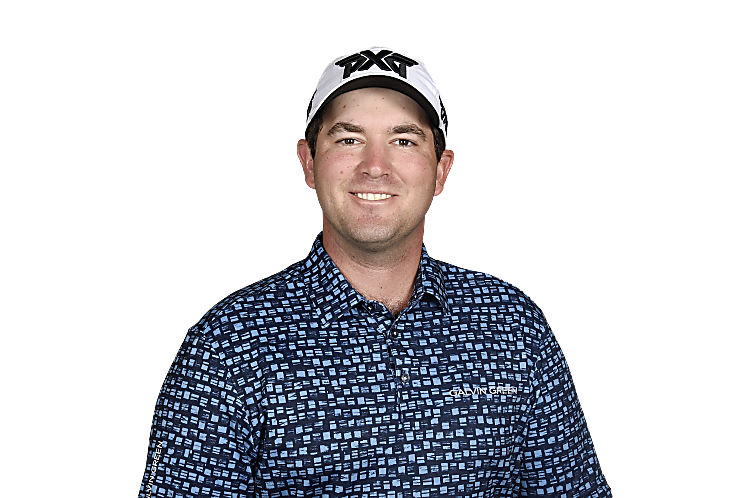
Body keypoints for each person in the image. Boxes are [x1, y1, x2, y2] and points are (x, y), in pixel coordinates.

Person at [139, 45, 612, 497]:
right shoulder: (226, 345)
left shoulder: (514, 324)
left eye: (403, 140)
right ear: (308, 162)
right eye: (349, 139)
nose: (375, 166)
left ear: (442, 170)